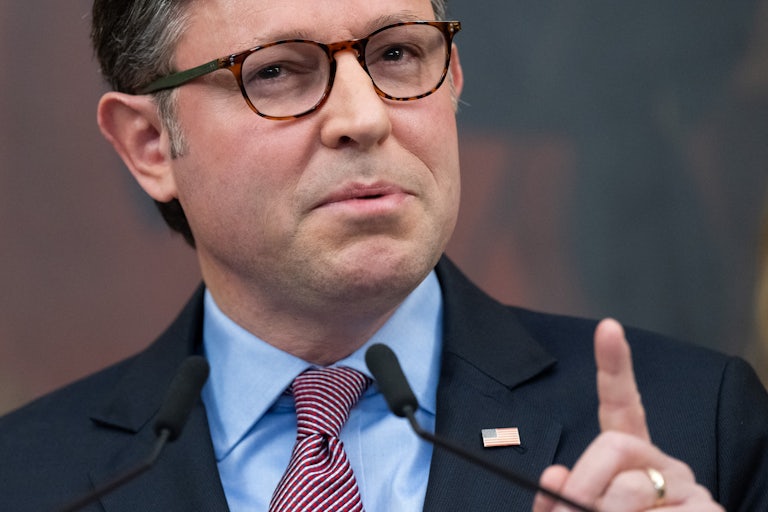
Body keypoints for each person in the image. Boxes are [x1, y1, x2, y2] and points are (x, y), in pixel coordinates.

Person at [0, 0, 766, 511]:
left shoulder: (696, 425)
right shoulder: (28, 478)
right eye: (276, 71)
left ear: (454, 80)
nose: (364, 118)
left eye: (398, 55)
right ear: (150, 144)